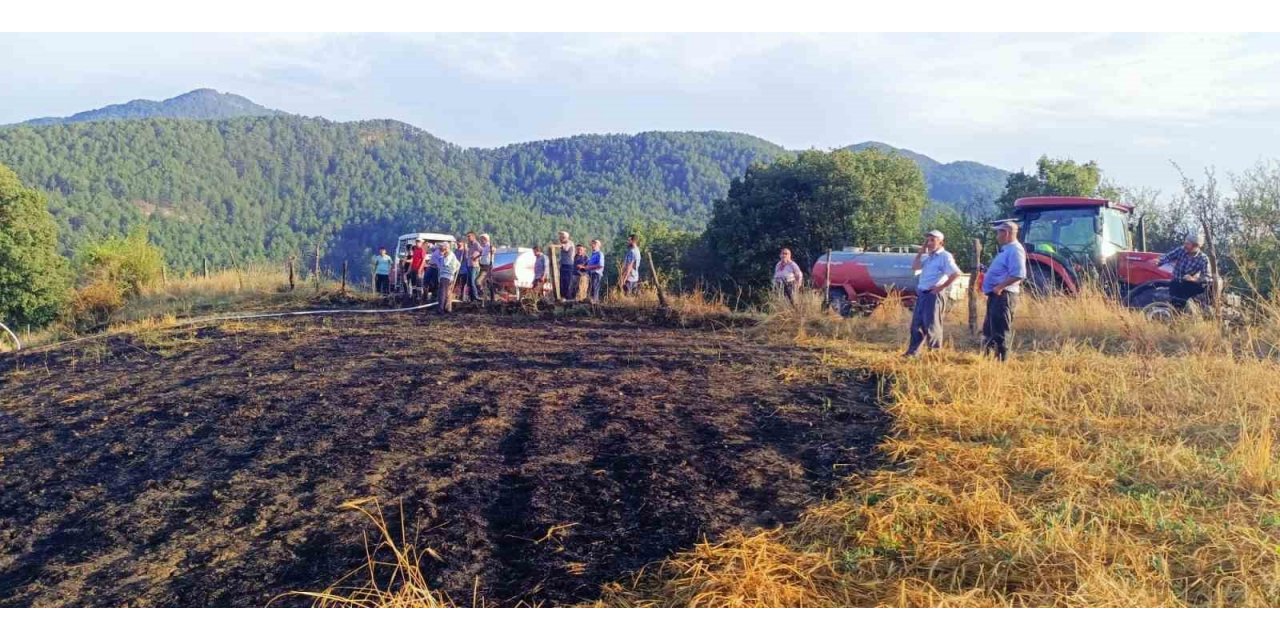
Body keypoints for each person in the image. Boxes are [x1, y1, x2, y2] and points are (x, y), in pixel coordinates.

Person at [905, 230, 962, 357]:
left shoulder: (945, 256)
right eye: (928, 240)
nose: (929, 243)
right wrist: (920, 253)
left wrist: (941, 287)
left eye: (932, 240)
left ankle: (935, 355)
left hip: (933, 295)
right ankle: (913, 353)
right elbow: (915, 267)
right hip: (923, 294)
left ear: (941, 242)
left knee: (932, 325)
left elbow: (956, 273)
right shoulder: (930, 257)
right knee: (917, 325)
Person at [981, 221, 1027, 361]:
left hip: (1004, 295)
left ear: (1006, 233)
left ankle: (1001, 362)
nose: (997, 236)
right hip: (996, 295)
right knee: (990, 329)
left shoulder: (1015, 250)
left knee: (1000, 330)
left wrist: (1000, 287)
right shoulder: (1007, 249)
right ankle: (988, 360)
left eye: (998, 232)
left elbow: (1019, 273)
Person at [1157, 232, 1213, 311]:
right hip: (1175, 282)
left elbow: (1207, 277)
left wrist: (1193, 279)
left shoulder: (1203, 259)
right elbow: (1168, 256)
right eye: (1185, 243)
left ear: (1195, 246)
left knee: (1183, 305)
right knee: (1174, 303)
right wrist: (1159, 261)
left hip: (1188, 284)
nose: (1185, 245)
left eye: (1187, 243)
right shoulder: (1181, 250)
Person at [437, 241, 461, 314]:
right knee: (447, 292)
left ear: (446, 248)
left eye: (442, 248)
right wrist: (453, 272)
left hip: (446, 276)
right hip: (447, 276)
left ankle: (441, 309)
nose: (440, 250)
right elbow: (458, 264)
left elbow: (446, 263)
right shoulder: (451, 255)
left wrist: (452, 272)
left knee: (442, 292)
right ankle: (447, 308)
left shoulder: (449, 255)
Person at [476, 233, 496, 300]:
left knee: (478, 281)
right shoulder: (483, 247)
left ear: (486, 239)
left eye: (482, 239)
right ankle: (491, 297)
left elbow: (493, 249)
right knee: (488, 282)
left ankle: (482, 293)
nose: (481, 241)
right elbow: (481, 254)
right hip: (482, 266)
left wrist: (492, 250)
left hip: (487, 267)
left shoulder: (488, 246)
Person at [557, 231, 575, 300]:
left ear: (565, 237)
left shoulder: (569, 243)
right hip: (563, 265)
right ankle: (563, 296)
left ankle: (568, 298)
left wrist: (561, 245)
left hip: (568, 265)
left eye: (561, 237)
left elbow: (566, 248)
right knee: (562, 281)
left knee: (567, 281)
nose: (560, 239)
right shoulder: (564, 243)